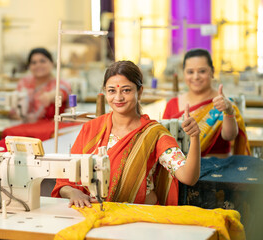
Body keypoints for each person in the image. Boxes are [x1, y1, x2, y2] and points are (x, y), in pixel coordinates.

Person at [51, 60, 201, 207]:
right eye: (112, 90)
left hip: (141, 217)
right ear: (105, 92)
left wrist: (194, 138)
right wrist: (73, 193)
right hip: (97, 213)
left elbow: (188, 177)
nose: (118, 97)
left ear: (140, 92)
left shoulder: (154, 134)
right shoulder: (91, 129)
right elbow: (65, 182)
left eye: (126, 90)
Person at [163, 48, 250, 157]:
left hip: (218, 168)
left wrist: (228, 111)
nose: (196, 77)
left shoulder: (223, 103)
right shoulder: (172, 104)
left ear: (212, 72)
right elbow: (164, 142)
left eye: (202, 71)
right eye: (190, 72)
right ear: (184, 74)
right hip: (182, 170)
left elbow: (229, 136)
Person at [11, 47, 71, 122]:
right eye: (34, 62)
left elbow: (62, 93)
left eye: (42, 61)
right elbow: (14, 110)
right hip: (26, 128)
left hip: (52, 130)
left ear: (52, 63)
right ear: (29, 66)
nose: (38, 65)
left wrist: (50, 96)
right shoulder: (24, 82)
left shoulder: (61, 83)